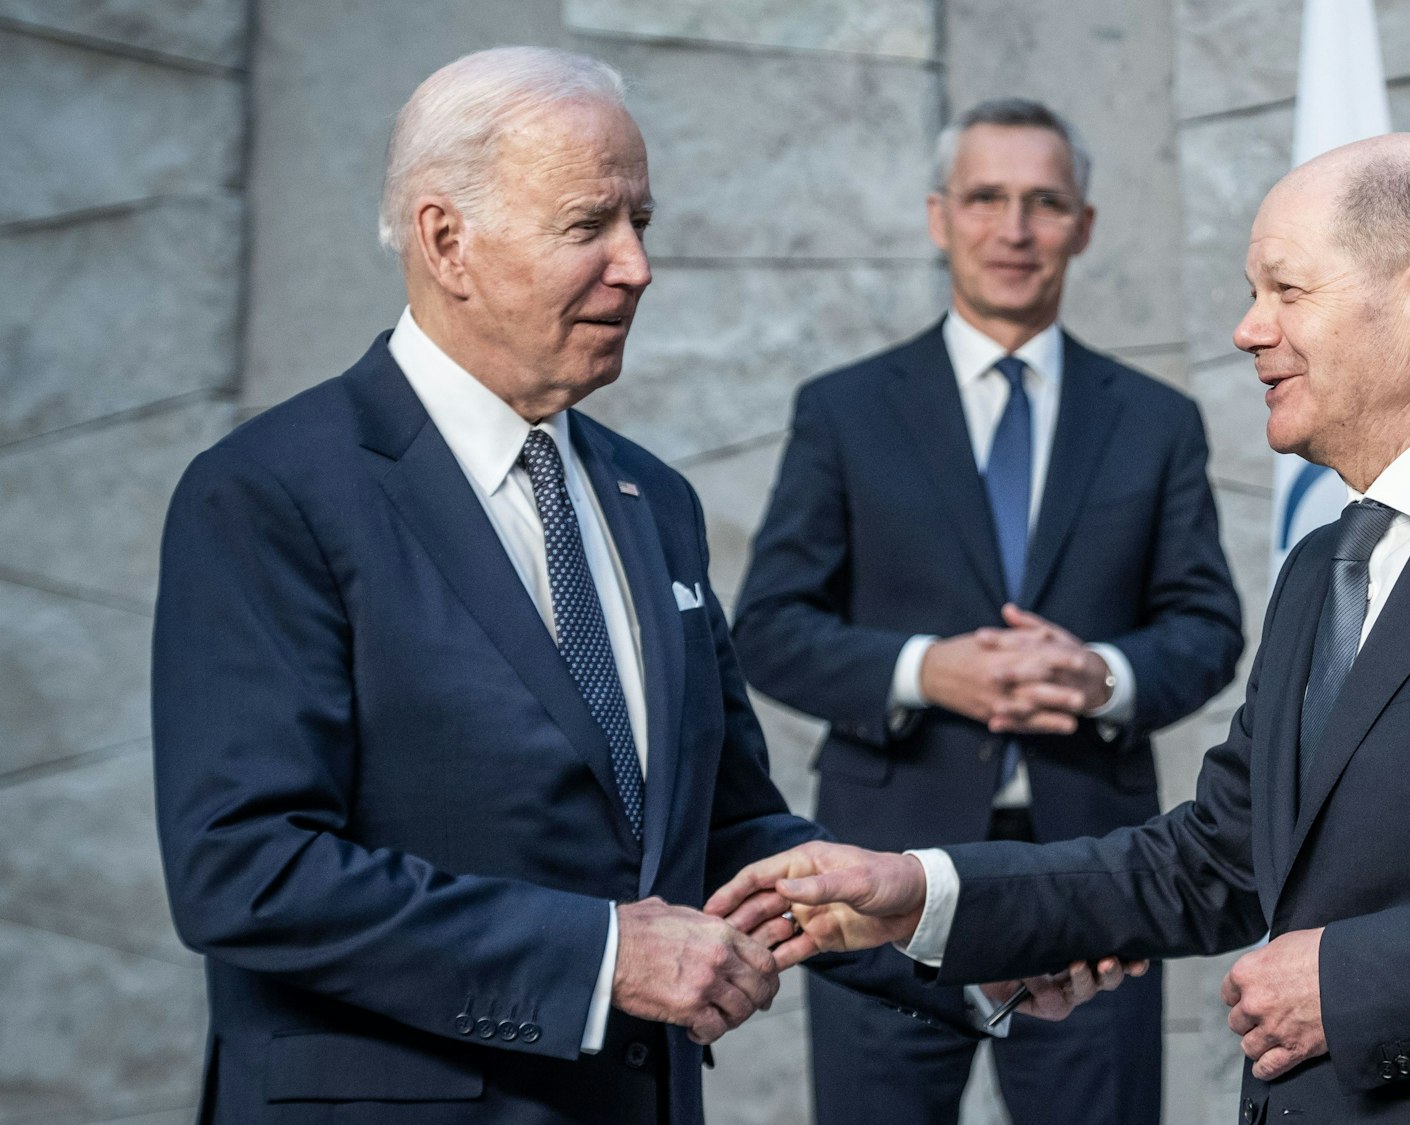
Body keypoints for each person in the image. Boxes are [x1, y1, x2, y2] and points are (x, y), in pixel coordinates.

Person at [150, 47, 1122, 1125]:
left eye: (640, 223)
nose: (636, 267)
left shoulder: (648, 499)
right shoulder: (270, 493)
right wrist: (601, 956)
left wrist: (954, 940)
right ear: (445, 241)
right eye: (588, 227)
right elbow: (245, 871)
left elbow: (727, 832)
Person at [711, 134, 1410, 1125]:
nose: (1248, 329)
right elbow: (1212, 860)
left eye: (1285, 290)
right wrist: (924, 889)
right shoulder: (1321, 565)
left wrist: (1346, 981)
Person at [731, 97, 1244, 1125]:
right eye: (986, 199)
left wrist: (1104, 679)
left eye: (1043, 203)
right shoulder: (844, 409)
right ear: (938, 216)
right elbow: (770, 626)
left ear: (1084, 225)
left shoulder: (1153, 421)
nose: (1013, 229)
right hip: (881, 878)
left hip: (1088, 877)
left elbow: (1205, 626)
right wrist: (927, 669)